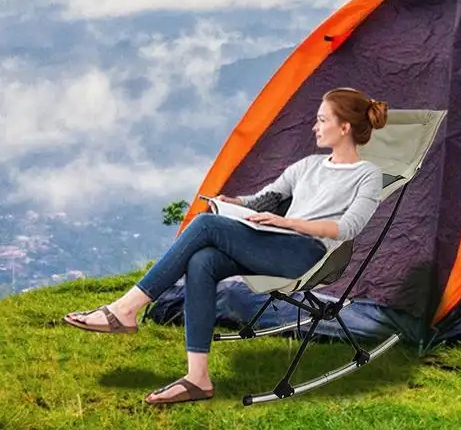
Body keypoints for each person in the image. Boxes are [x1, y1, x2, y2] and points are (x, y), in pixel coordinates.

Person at [64, 88, 387, 405]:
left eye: (322, 120)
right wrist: (235, 203)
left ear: (344, 127)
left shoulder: (367, 175)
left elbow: (349, 228)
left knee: (204, 225)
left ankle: (124, 310)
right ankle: (197, 379)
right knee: (203, 260)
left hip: (309, 255)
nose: (314, 127)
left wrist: (289, 223)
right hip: (274, 243)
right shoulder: (308, 166)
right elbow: (266, 200)